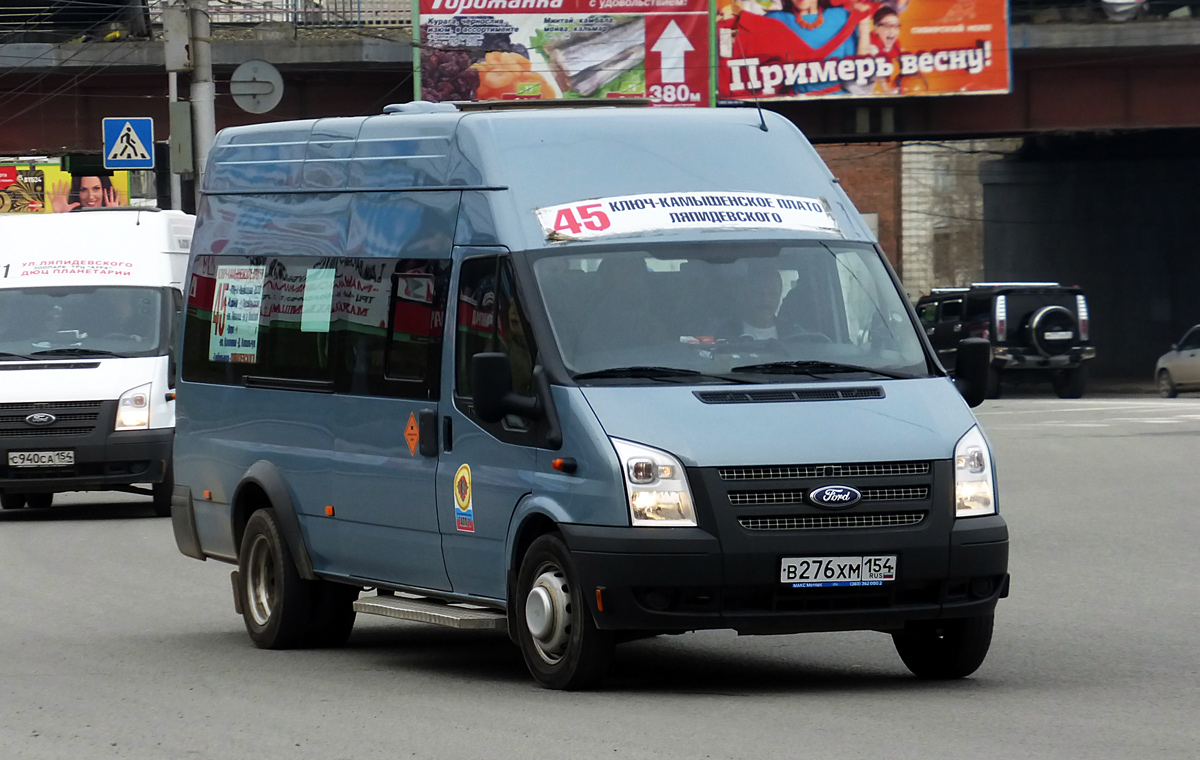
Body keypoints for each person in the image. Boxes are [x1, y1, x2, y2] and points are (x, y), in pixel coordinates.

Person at [718, 268, 784, 341]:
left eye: (773, 294)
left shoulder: (793, 334)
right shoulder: (724, 333)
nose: (766, 300)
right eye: (759, 293)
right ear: (747, 295)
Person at [50, 175, 119, 213]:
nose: (91, 197)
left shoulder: (115, 217)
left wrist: (114, 215)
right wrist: (61, 216)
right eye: (84, 190)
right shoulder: (72, 219)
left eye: (96, 188)